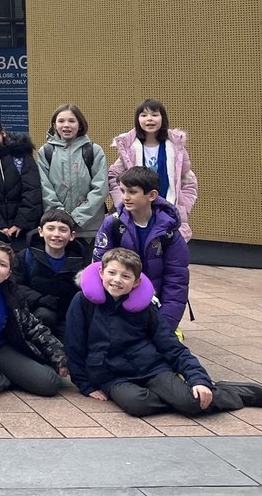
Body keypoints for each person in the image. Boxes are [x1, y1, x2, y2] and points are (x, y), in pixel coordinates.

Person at [66, 248, 262, 417]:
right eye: (112, 273)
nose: (117, 280)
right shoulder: (83, 302)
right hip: (113, 375)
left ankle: (238, 393)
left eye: (125, 276)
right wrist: (85, 385)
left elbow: (171, 345)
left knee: (191, 403)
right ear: (101, 272)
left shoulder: (144, 307)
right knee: (136, 404)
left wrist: (198, 380)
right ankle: (181, 396)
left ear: (135, 282)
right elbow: (74, 344)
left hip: (151, 368)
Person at [0, 240, 67, 397]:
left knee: (50, 383)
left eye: (2, 264)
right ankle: (5, 377)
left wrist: (58, 354)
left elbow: (31, 325)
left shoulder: (10, 293)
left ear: (8, 273)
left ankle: (6, 373)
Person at [92, 166, 189, 330]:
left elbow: (176, 281)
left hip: (154, 305)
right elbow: (98, 267)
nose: (125, 197)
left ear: (151, 195)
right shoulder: (112, 224)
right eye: (122, 191)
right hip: (118, 301)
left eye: (132, 192)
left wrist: (165, 325)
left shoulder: (169, 232)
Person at [108, 98, 197, 240]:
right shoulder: (129, 148)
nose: (149, 119)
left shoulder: (176, 148)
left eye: (154, 114)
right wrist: (122, 201)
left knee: (168, 254)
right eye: (144, 115)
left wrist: (183, 206)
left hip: (167, 211)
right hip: (138, 211)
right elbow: (114, 176)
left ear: (163, 118)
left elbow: (189, 180)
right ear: (138, 119)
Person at [37, 102, 108, 255]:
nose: (66, 125)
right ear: (54, 125)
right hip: (57, 230)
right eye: (61, 121)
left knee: (88, 273)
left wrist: (77, 217)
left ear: (80, 124)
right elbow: (45, 187)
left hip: (88, 229)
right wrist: (61, 217)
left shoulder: (93, 150)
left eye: (71, 121)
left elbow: (100, 188)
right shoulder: (46, 152)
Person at [10, 208, 85, 340]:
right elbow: (14, 285)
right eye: (50, 228)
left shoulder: (80, 260)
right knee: (45, 316)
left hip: (67, 315)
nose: (56, 234)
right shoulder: (26, 256)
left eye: (62, 230)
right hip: (37, 314)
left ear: (71, 235)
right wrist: (39, 299)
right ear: (40, 231)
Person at [0, 118, 42, 249]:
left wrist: (20, 223)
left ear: (2, 133)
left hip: (25, 227)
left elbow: (32, 190)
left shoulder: (21, 155)